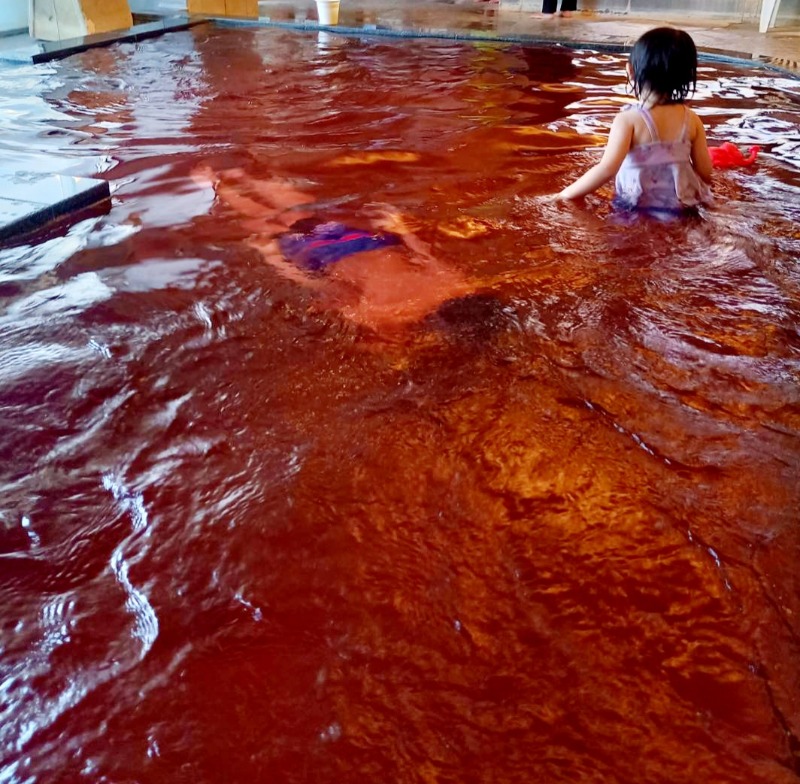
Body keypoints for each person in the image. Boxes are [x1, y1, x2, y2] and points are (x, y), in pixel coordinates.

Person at [192, 166, 483, 335]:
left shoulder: (459, 285)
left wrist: (400, 228)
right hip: (325, 258)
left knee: (303, 212)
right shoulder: (390, 315)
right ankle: (217, 183)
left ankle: (244, 177)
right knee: (273, 226)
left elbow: (423, 253)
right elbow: (322, 287)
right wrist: (270, 256)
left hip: (371, 243)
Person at [551, 27, 713, 214]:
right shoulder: (692, 119)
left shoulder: (628, 120)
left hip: (636, 208)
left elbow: (606, 169)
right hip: (683, 208)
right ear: (686, 76)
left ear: (630, 71)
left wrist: (564, 195)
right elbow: (705, 172)